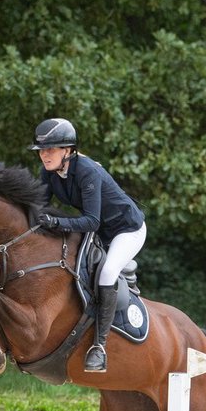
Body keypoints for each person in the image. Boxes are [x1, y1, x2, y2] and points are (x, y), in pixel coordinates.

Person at [31, 117, 146, 374]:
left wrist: (56, 222)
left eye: (51, 149)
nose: (44, 155)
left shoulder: (87, 172)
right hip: (101, 231)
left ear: (68, 150)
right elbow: (38, 206)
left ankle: (99, 347)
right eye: (41, 150)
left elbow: (92, 221)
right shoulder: (48, 173)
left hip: (126, 229)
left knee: (106, 274)